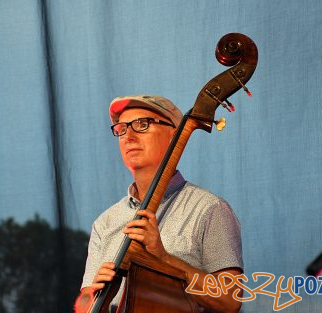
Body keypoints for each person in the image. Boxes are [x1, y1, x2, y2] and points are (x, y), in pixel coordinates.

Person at [75, 95, 243, 313]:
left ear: (174, 135)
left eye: (142, 124)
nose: (129, 136)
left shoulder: (210, 209)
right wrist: (97, 296)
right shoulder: (105, 222)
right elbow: (83, 304)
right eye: (121, 129)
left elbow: (230, 301)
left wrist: (163, 258)